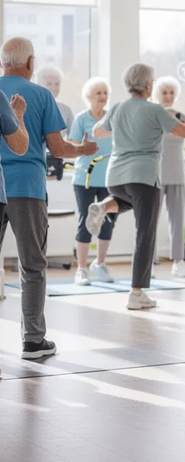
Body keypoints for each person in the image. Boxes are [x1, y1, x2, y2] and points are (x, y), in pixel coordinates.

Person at [88, 63, 185, 311]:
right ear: (148, 85)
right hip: (144, 177)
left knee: (125, 201)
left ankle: (103, 205)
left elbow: (97, 131)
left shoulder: (117, 108)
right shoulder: (156, 110)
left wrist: (120, 129)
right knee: (144, 235)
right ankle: (136, 293)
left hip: (115, 177)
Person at [0, 37, 98, 359]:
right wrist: (83, 149)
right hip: (26, 188)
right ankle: (33, 340)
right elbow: (58, 149)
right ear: (30, 63)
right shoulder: (41, 95)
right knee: (32, 265)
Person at [152, 76, 185, 279]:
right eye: (164, 92)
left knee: (177, 220)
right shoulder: (153, 115)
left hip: (177, 175)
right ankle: (149, 262)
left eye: (171, 93)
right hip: (154, 175)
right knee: (150, 221)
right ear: (157, 94)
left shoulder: (181, 116)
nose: (168, 96)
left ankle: (178, 262)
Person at [70, 77, 116, 286]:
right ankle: (81, 268)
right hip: (84, 178)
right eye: (98, 93)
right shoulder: (81, 118)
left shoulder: (112, 118)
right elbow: (72, 143)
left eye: (105, 93)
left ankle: (100, 263)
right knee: (86, 220)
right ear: (89, 96)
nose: (103, 97)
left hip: (109, 177)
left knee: (108, 219)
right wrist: (82, 144)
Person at [37, 64, 74, 136]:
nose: (53, 88)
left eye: (57, 84)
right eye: (49, 84)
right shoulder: (33, 107)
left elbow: (73, 138)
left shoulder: (66, 109)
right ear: (39, 85)